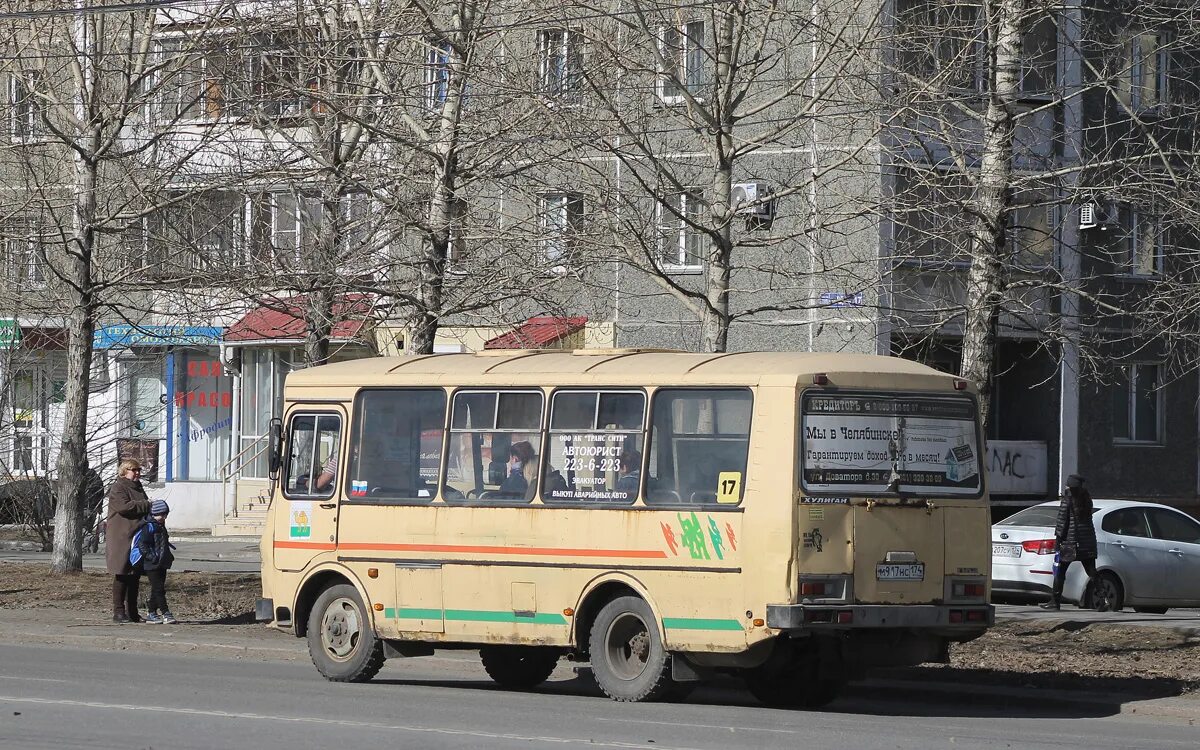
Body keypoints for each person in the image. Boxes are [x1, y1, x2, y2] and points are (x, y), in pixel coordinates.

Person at [1041, 474, 1098, 610]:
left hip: (1070, 543)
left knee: (1060, 571)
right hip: (1087, 542)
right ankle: (1104, 599)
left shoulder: (1067, 500)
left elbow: (1062, 523)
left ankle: (1055, 601)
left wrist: (1058, 542)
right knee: (1092, 571)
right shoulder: (1087, 499)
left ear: (1070, 486)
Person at [105, 459, 151, 624]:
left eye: (139, 469)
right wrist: (146, 504)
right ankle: (118, 612)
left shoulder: (138, 487)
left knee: (135, 575)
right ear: (124, 471)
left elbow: (141, 506)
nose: (137, 472)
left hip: (137, 534)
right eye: (134, 470)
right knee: (122, 573)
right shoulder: (118, 487)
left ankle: (133, 612)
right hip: (121, 536)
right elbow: (124, 507)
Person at [136, 500, 177, 624]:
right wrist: (151, 556)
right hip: (151, 564)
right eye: (162, 515)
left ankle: (152, 612)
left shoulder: (160, 526)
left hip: (162, 562)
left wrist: (168, 556)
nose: (164, 518)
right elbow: (142, 544)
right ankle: (166, 613)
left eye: (165, 515)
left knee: (157, 589)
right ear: (154, 514)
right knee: (158, 589)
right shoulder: (148, 526)